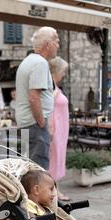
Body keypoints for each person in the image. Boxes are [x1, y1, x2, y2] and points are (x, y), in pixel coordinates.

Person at [15, 26, 60, 170]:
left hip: (28, 122)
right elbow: (34, 97)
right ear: (48, 44)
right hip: (35, 124)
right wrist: (42, 123)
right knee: (38, 170)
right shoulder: (40, 63)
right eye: (56, 41)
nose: (58, 45)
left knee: (30, 168)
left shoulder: (29, 61)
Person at [48, 57, 70, 201]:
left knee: (58, 157)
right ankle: (53, 190)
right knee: (53, 158)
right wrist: (50, 130)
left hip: (62, 129)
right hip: (55, 129)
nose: (64, 74)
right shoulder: (50, 87)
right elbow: (48, 108)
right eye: (63, 71)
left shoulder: (54, 86)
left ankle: (56, 189)